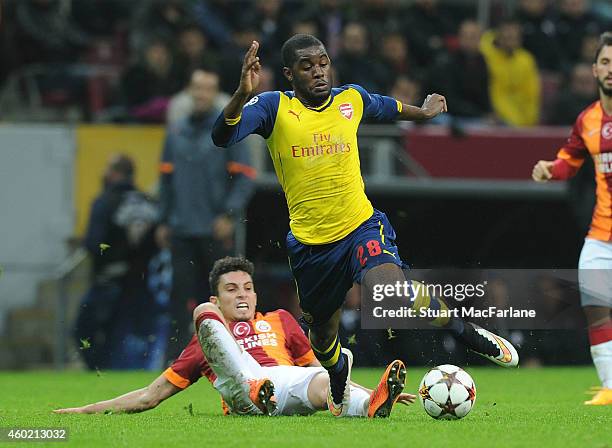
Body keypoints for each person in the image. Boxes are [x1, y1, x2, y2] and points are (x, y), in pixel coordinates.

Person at [211, 34, 519, 417]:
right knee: (322, 337)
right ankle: (339, 372)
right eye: (307, 66)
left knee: (390, 290)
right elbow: (221, 137)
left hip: (361, 226)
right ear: (290, 74)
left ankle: (462, 330)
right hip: (311, 245)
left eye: (323, 62)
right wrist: (242, 93)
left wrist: (422, 113)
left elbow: (387, 106)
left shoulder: (349, 99)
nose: (319, 71)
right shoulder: (273, 107)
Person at [55, 257, 412, 417]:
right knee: (201, 317)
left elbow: (329, 373)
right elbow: (151, 396)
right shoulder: (205, 341)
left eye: (248, 288)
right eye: (231, 289)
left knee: (320, 380)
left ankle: (371, 407)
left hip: (283, 388)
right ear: (218, 298)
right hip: (243, 394)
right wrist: (86, 410)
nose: (242, 295)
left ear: (256, 295)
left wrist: (370, 390)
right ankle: (252, 387)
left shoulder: (281, 320)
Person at [532, 32, 612, 406]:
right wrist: (552, 168)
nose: (611, 70)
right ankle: (610, 388)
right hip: (601, 234)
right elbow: (570, 161)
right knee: (596, 309)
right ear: (595, 69)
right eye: (606, 62)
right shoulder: (588, 120)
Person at [157, 69, 256, 363]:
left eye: (207, 89)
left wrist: (228, 214)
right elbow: (165, 179)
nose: (201, 94)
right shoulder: (175, 132)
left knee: (222, 298)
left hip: (215, 230)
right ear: (190, 92)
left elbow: (246, 178)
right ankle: (174, 362)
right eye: (197, 88)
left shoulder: (229, 129)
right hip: (181, 229)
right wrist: (163, 219)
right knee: (179, 299)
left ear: (216, 94)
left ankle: (230, 358)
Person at [74, 155, 159, 370]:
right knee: (124, 337)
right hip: (142, 283)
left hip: (108, 281)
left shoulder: (105, 201)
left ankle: (98, 370)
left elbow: (94, 243)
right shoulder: (148, 202)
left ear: (114, 173)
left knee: (83, 330)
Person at [480, 19, 541, 127]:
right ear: (498, 37)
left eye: (514, 37)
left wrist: (531, 121)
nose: (510, 41)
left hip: (523, 121)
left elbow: (532, 94)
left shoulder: (526, 60)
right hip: (498, 119)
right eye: (506, 37)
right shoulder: (487, 57)